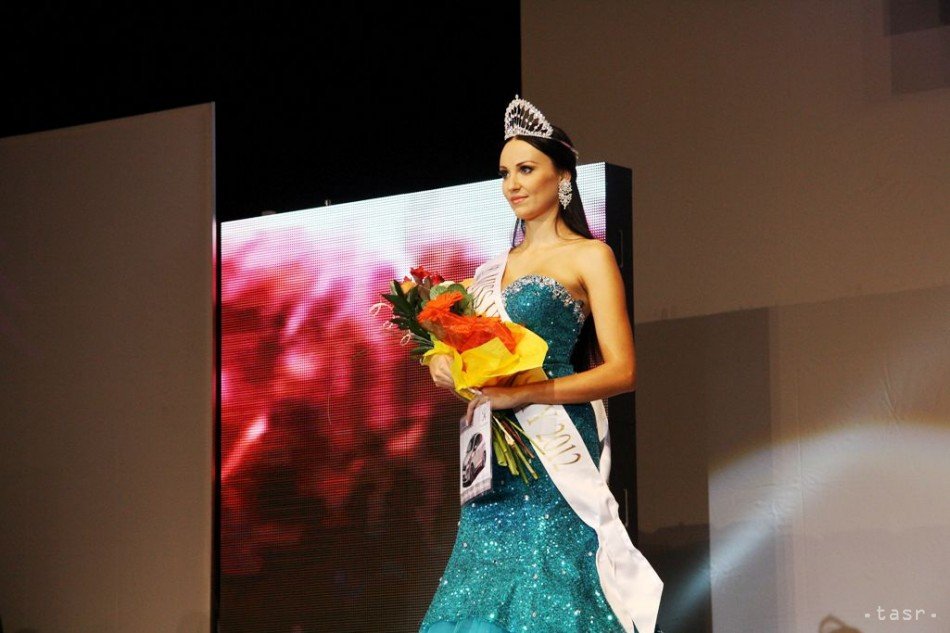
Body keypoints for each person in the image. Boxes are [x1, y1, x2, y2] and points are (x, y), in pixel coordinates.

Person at [419, 96, 663, 633]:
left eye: (526, 169)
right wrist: (442, 360)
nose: (512, 184)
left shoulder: (589, 256)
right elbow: (466, 350)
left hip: (554, 444)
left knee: (549, 580)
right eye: (504, 173)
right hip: (496, 449)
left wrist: (524, 393)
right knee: (481, 578)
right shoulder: (486, 272)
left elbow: (622, 371)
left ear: (563, 177)